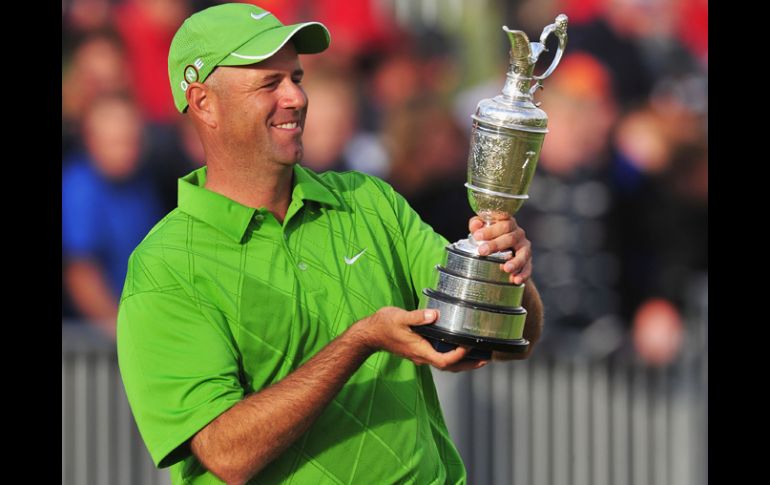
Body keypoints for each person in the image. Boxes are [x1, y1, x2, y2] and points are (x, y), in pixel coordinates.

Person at [116, 4, 543, 485]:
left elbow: (508, 341)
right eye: (268, 84)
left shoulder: (368, 200)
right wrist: (358, 342)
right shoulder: (163, 267)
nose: (296, 97)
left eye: (296, 77)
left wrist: (505, 269)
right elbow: (227, 453)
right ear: (203, 102)